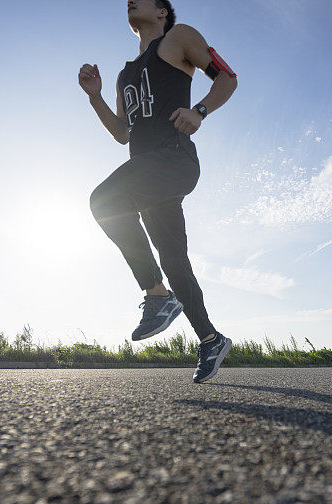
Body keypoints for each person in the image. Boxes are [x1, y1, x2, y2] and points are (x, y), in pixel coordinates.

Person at [79, 0, 238, 383]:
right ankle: (212, 339)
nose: (130, 1)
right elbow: (121, 133)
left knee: (103, 201)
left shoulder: (179, 38)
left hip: (175, 159)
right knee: (174, 261)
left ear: (163, 11)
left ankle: (156, 295)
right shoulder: (124, 75)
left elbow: (227, 78)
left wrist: (199, 110)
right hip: (147, 175)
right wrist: (94, 96)